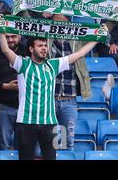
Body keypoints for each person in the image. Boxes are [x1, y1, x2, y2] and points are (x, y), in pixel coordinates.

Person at [0, 18, 100, 160]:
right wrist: (1, 29)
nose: (44, 48)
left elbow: (80, 53)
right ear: (31, 49)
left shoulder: (53, 64)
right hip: (26, 123)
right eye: (40, 45)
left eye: (45, 45)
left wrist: (97, 37)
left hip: (49, 124)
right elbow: (5, 49)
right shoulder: (22, 63)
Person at [48, 14, 92, 151]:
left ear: (69, 22)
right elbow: (27, 23)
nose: (59, 24)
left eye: (62, 20)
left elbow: (101, 32)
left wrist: (113, 16)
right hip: (49, 99)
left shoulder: (78, 39)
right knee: (50, 141)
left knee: (68, 142)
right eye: (56, 20)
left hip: (69, 101)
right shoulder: (45, 39)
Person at [0, 33, 27, 150]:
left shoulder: (28, 53)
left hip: (26, 107)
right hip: (3, 106)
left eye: (13, 36)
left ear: (20, 37)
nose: (10, 40)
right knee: (3, 146)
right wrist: (5, 86)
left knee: (24, 147)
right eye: (7, 37)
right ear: (1, 38)